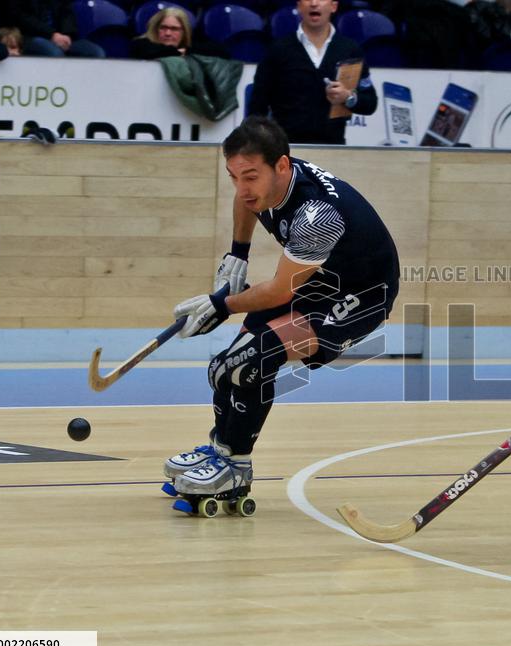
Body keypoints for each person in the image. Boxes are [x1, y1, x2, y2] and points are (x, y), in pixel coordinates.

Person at [162, 116, 400, 513]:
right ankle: (221, 450)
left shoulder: (317, 216)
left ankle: (235, 467)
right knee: (223, 367)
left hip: (360, 296)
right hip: (320, 280)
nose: (242, 188)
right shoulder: (267, 181)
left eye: (250, 176)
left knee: (251, 360)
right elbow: (246, 201)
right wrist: (237, 252)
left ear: (282, 167)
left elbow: (279, 290)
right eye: (233, 176)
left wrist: (220, 304)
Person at [249, 0, 377, 145]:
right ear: (298, 6)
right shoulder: (278, 49)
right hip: (285, 149)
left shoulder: (350, 50)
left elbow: (370, 103)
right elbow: (257, 106)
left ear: (333, 6)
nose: (314, 3)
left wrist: (348, 97)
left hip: (334, 148)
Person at [7, 0, 105, 58]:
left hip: (61, 36)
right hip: (29, 36)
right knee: (54, 53)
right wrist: (52, 35)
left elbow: (67, 13)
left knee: (96, 52)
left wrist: (66, 35)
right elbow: (21, 17)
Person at [129, 7, 228, 60]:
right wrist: (180, 52)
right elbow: (150, 52)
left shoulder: (190, 45)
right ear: (155, 29)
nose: (168, 33)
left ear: (184, 32)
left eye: (174, 29)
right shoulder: (141, 45)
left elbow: (222, 52)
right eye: (163, 28)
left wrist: (185, 51)